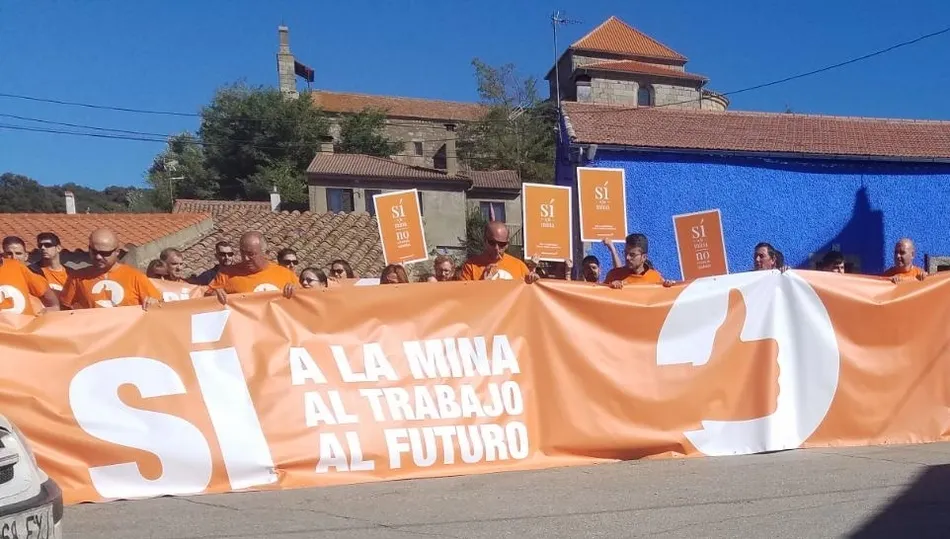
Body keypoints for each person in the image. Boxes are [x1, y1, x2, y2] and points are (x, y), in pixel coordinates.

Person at [60, 229, 162, 310]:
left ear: (117, 252)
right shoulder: (77, 278)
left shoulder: (135, 276)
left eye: (105, 253)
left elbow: (158, 304)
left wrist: (154, 303)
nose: (98, 257)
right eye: (94, 252)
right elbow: (64, 309)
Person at [206, 231, 298, 305]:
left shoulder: (287, 275)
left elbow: (302, 300)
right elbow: (205, 299)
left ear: (266, 253)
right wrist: (214, 295)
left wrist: (296, 292)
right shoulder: (226, 274)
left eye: (251, 254)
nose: (245, 258)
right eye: (242, 253)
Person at [459, 222, 539, 283]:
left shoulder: (519, 266)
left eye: (501, 244)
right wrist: (483, 283)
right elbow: (463, 296)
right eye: (492, 243)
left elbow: (530, 295)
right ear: (485, 241)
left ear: (507, 244)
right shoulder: (471, 266)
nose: (496, 248)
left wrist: (533, 280)